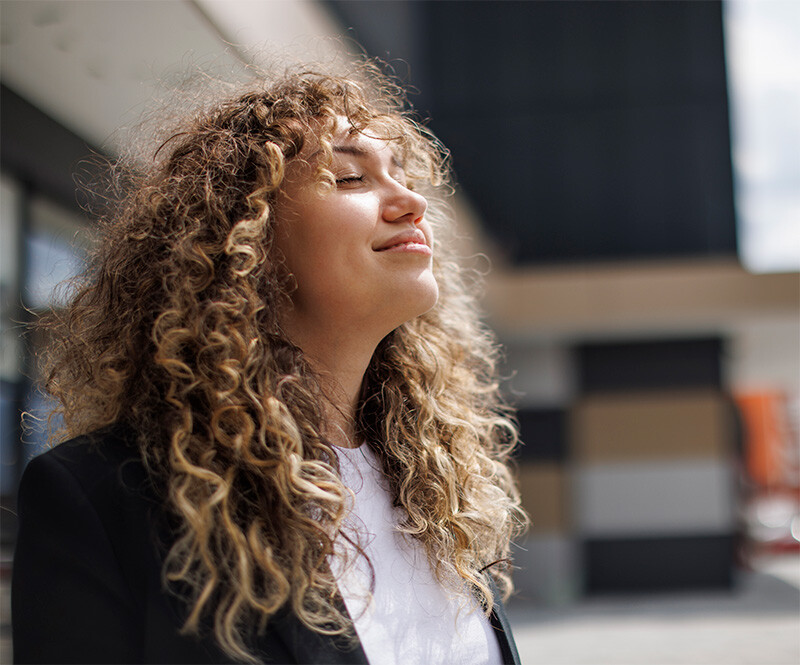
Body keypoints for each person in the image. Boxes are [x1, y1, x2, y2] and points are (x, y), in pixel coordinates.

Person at [12, 63, 526, 664]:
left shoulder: (433, 491)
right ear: (245, 236)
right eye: (351, 176)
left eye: (406, 177)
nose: (412, 201)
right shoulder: (105, 499)